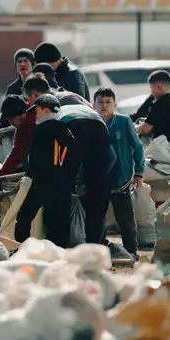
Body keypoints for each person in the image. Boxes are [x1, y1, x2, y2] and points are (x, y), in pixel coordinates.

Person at [15, 94, 80, 247]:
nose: (36, 115)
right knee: (59, 219)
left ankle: (20, 246)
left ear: (45, 110)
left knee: (25, 215)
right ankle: (58, 250)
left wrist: (29, 175)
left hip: (43, 181)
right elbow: (74, 158)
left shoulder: (42, 130)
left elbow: (35, 157)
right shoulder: (66, 130)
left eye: (37, 111)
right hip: (63, 182)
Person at [94, 87, 145, 260]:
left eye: (108, 102)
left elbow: (137, 147)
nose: (104, 106)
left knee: (125, 218)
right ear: (93, 105)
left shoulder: (123, 122)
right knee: (97, 217)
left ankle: (131, 251)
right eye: (100, 102)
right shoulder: (92, 122)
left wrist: (139, 172)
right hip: (98, 178)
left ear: (115, 104)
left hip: (121, 177)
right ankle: (100, 251)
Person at [58, 102, 115, 244]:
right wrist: (97, 177)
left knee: (63, 187)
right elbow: (112, 156)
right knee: (98, 192)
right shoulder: (87, 108)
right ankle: (95, 242)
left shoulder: (54, 110)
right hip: (98, 126)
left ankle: (62, 240)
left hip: (70, 125)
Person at [136, 70, 170, 150]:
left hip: (164, 152)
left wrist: (133, 127)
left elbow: (145, 128)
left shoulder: (160, 103)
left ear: (158, 86)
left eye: (152, 88)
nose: (152, 93)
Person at [0, 94, 35, 176]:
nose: (12, 123)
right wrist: (1, 174)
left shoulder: (37, 121)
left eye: (12, 119)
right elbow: (16, 153)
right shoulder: (22, 128)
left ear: (21, 114)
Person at [23, 74, 90, 107]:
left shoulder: (64, 100)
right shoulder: (58, 100)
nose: (29, 104)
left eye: (28, 99)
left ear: (36, 94)